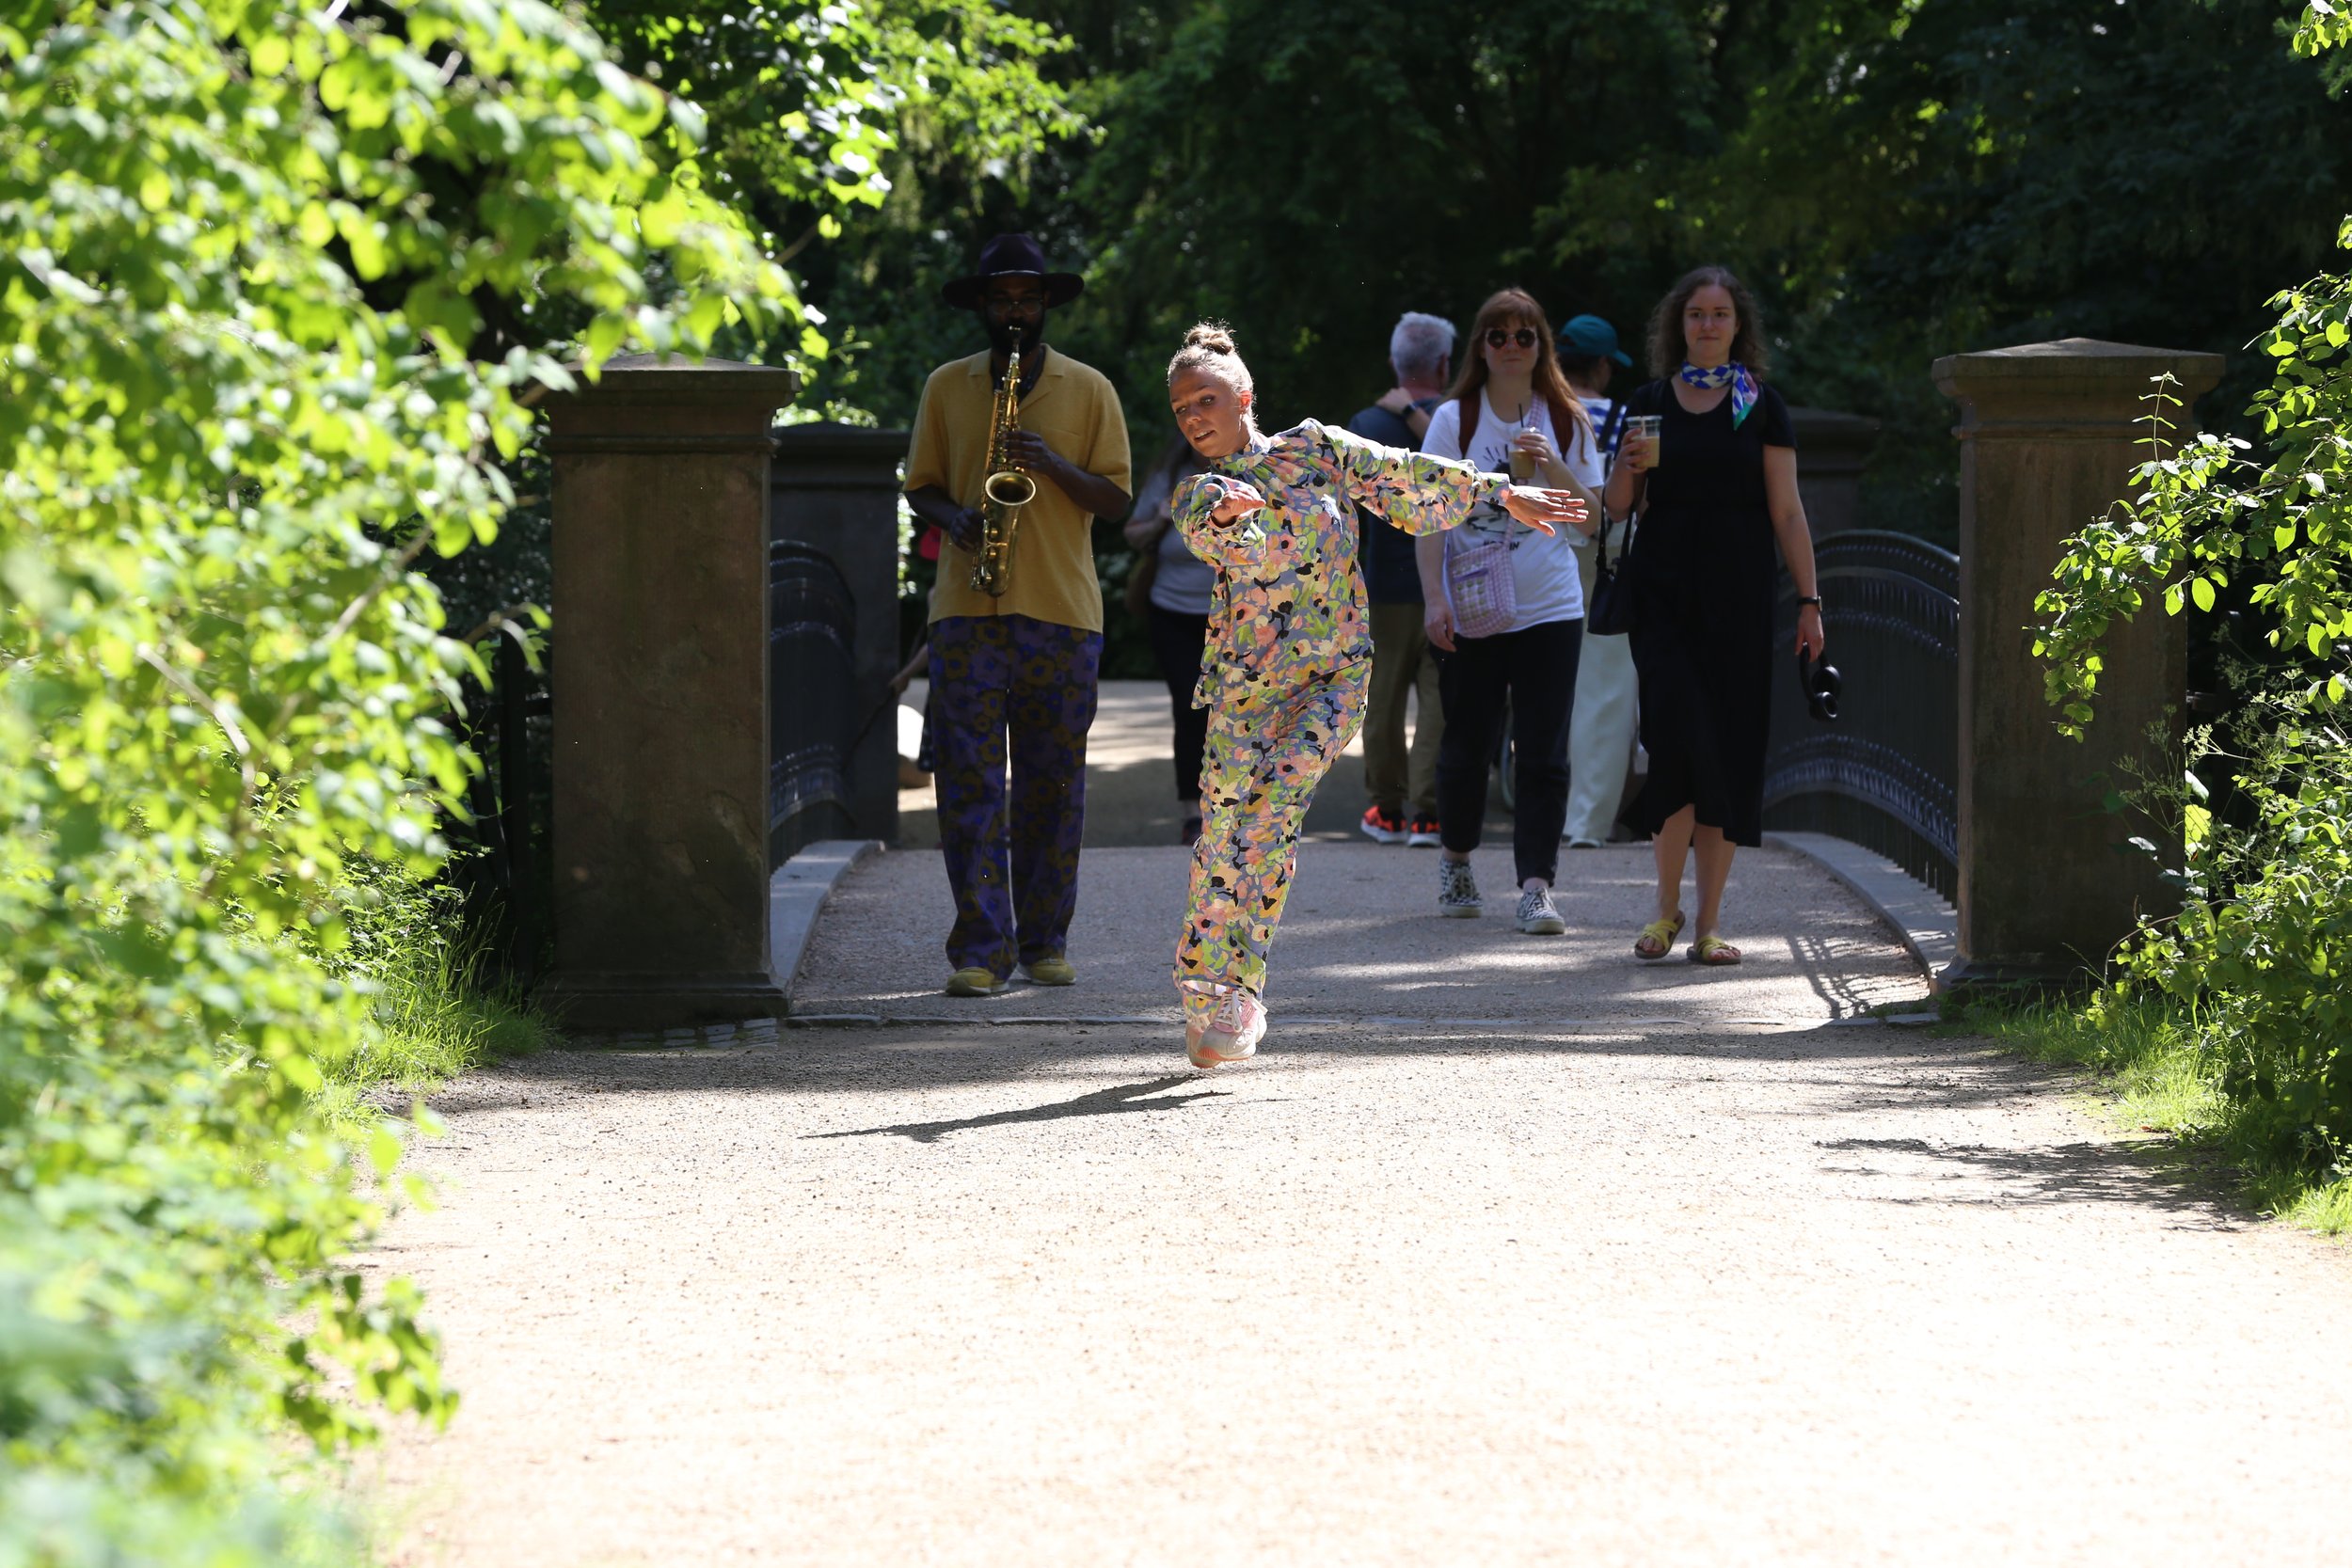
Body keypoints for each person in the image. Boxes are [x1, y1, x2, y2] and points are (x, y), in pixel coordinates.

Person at [1164, 323, 1586, 1068]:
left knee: (1268, 817)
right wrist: (1228, 515)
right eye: (1182, 408)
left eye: (1207, 398)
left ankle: (1242, 990)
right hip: (1243, 697)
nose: (1195, 416)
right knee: (1222, 840)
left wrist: (1501, 492)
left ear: (1245, 398)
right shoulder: (1199, 489)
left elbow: (1404, 475)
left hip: (1330, 683)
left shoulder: (1316, 449)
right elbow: (1212, 530)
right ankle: (1209, 992)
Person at [902, 233, 1134, 997]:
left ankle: (1044, 940)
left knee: (1052, 785)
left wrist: (1051, 465)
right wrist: (956, 519)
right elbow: (921, 487)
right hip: (966, 609)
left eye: (1026, 299)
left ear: (1044, 305)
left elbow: (1118, 501)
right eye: (1000, 299)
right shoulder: (946, 385)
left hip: (1064, 613)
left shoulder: (1090, 388)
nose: (1014, 311)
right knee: (968, 784)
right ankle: (980, 948)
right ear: (982, 305)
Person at [1606, 265, 1824, 966]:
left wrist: (1811, 601)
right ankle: (1662, 911)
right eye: (1696, 313)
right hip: (1662, 596)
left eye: (1720, 313)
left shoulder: (1758, 404)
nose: (1707, 325)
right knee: (1675, 740)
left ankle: (1708, 924)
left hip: (1737, 598)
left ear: (1738, 325)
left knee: (1725, 752)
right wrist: (1631, 468)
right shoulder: (1647, 401)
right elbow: (1613, 507)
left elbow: (1787, 512)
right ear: (1679, 324)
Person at [1415, 289, 1605, 935]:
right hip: (1472, 604)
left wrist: (1553, 466)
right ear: (1481, 346)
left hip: (1549, 604)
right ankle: (1457, 858)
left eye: (1525, 335)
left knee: (1543, 750)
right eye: (1498, 335)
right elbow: (1429, 515)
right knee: (1466, 743)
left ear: (1541, 346)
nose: (1511, 347)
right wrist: (1434, 598)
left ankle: (1536, 887)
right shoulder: (1453, 421)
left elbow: (1593, 519)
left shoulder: (1566, 419)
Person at [1346, 311, 1454, 847]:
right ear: (1445, 363)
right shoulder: (1461, 421)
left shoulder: (1365, 427)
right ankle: (1430, 814)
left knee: (1383, 700)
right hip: (1449, 585)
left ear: (1394, 362)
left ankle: (1386, 810)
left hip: (1382, 586)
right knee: (1437, 702)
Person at [1555, 312, 1641, 849]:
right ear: (1604, 365)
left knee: (1547, 684)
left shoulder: (1543, 415)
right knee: (1605, 692)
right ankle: (1585, 821)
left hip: (1543, 552)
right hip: (1606, 555)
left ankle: (1540, 805)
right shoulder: (1624, 419)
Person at [1122, 434, 1215, 843]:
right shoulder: (1169, 476)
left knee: (1231, 711)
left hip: (1234, 615)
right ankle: (1191, 810)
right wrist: (1163, 518)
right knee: (1189, 706)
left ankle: (1231, 806)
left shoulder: (1250, 471)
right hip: (1172, 612)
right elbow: (1133, 533)